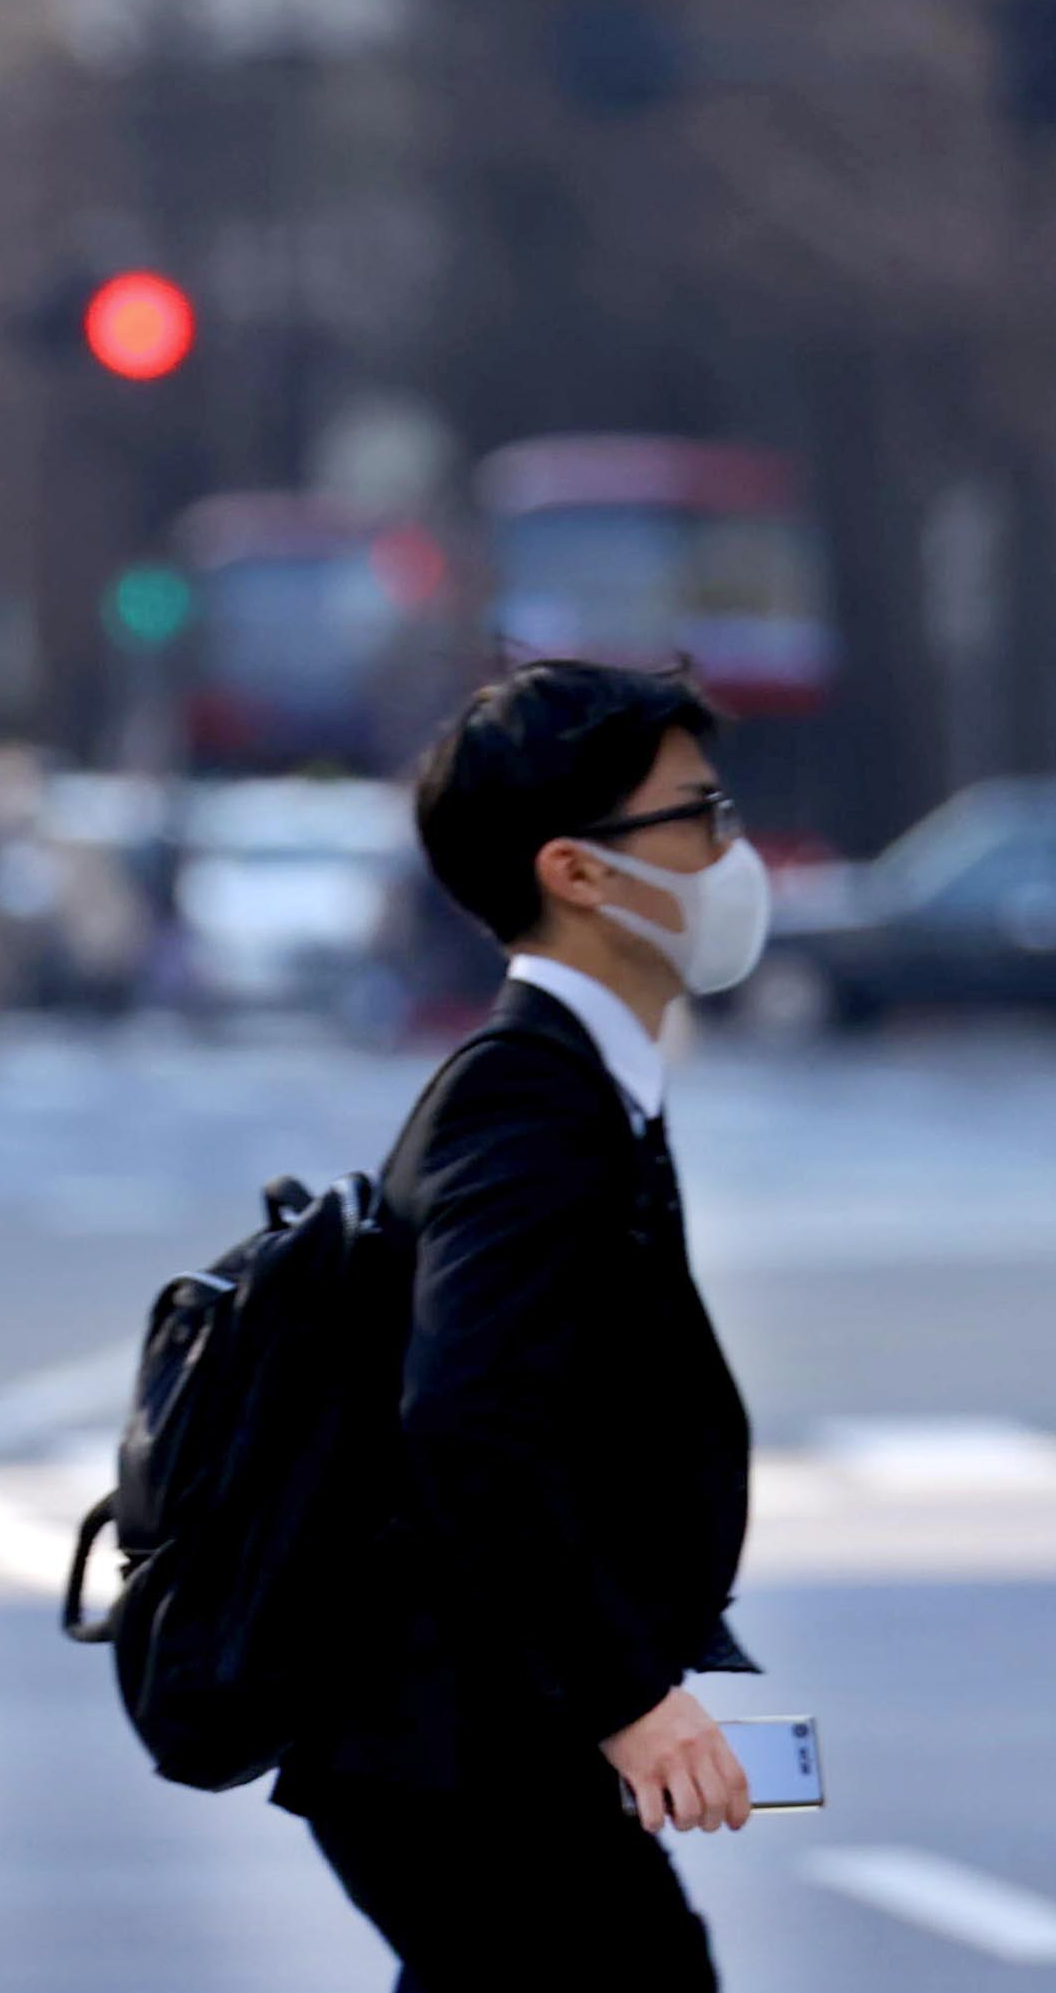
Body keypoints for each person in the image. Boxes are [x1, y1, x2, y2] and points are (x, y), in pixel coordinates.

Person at [279, 661, 764, 1988]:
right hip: (458, 1742)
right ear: (580, 872)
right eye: (696, 816)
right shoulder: (528, 1102)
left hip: (469, 1736)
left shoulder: (580, 1086)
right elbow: (470, 1417)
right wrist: (631, 1699)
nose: (734, 852)